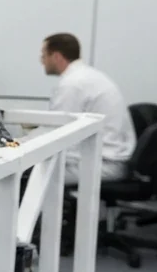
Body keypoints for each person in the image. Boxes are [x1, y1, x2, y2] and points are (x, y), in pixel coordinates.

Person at [40, 33, 135, 184]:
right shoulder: (88, 76)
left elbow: (56, 132)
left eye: (44, 55)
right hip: (112, 159)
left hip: (103, 164)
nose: (41, 61)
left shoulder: (72, 84)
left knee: (33, 175)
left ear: (56, 56)